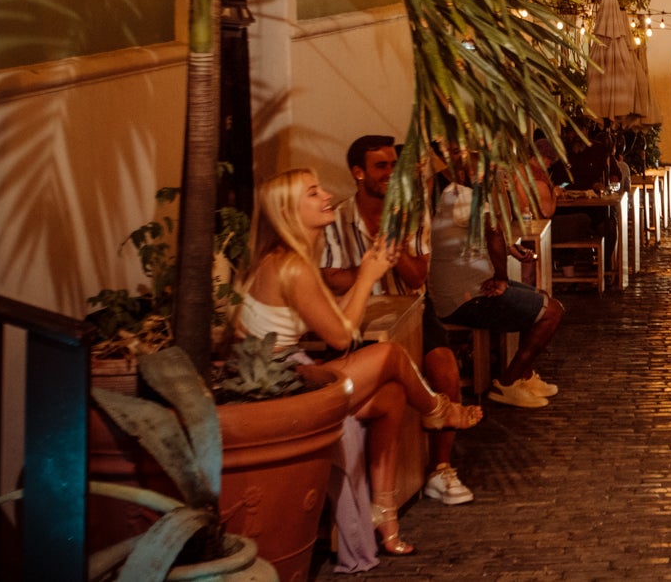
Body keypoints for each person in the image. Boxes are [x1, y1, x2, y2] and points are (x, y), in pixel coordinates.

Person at [236, 168, 481, 556]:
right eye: (313, 192)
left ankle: (385, 517)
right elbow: (339, 337)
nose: (326, 196)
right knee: (389, 354)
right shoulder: (291, 266)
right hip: (279, 385)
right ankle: (437, 409)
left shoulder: (289, 259)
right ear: (288, 212)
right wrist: (368, 276)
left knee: (393, 396)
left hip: (289, 373)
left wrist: (369, 269)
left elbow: (336, 318)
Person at [320, 135, 473, 507]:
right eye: (381, 166)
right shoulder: (336, 218)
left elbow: (417, 276)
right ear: (359, 173)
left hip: (412, 305)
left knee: (445, 369)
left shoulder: (412, 214)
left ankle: (440, 468)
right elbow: (331, 278)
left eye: (394, 165)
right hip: (358, 312)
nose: (391, 173)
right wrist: (368, 272)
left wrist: (391, 244)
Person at [428, 148, 565, 409]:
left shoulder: (451, 194)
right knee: (552, 312)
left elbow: (489, 233)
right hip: (465, 298)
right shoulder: (463, 196)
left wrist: (512, 249)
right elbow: (493, 233)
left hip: (466, 288)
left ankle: (524, 375)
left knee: (541, 298)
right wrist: (501, 278)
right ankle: (507, 383)